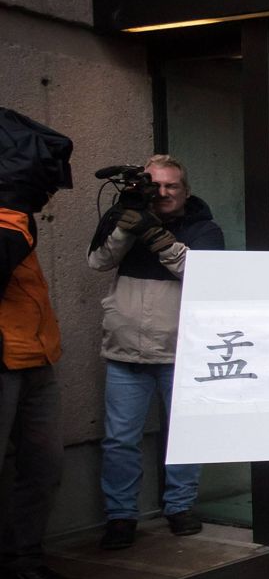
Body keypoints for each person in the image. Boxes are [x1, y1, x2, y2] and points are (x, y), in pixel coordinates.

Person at [88, 156, 224, 549]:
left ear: (186, 190)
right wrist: (124, 229)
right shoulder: (125, 221)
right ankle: (120, 517)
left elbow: (204, 275)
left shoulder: (203, 228)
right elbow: (98, 261)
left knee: (184, 435)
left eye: (171, 186)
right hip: (125, 351)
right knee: (119, 440)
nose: (162, 193)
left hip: (181, 351)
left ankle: (180, 507)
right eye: (155, 185)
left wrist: (157, 237)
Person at [0, 108, 84, 579]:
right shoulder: (10, 221)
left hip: (35, 356)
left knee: (43, 467)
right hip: (3, 360)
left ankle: (21, 566)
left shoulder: (16, 217)